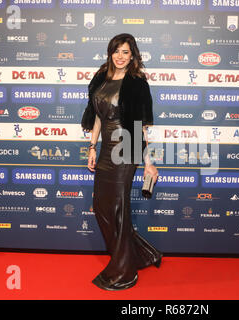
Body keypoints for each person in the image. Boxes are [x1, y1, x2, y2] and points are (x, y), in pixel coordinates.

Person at [81, 33, 162, 291]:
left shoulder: (137, 83)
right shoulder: (101, 77)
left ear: (133, 55)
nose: (120, 56)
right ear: (110, 52)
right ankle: (140, 255)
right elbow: (97, 117)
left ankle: (124, 269)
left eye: (126, 52)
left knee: (117, 207)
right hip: (106, 149)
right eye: (117, 51)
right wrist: (92, 147)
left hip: (127, 148)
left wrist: (148, 162)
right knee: (101, 207)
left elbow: (139, 126)